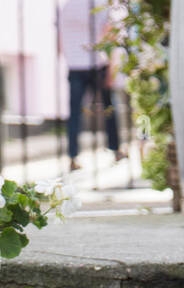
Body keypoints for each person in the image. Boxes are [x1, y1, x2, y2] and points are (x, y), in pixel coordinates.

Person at [58, 0, 125, 171]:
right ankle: (116, 149)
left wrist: (70, 56)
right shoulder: (99, 4)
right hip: (97, 63)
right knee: (109, 108)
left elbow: (60, 39)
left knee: (74, 113)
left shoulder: (66, 7)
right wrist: (111, 67)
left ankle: (73, 156)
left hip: (74, 65)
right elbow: (108, 34)